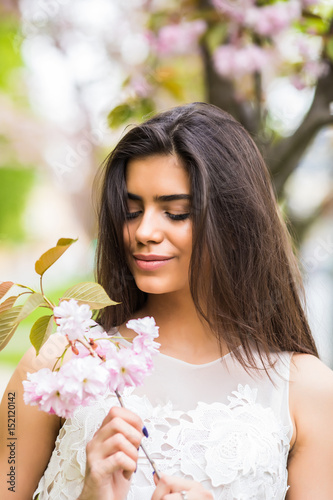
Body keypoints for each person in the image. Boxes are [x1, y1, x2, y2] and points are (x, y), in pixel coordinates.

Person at [1, 102, 333, 500]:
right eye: (131, 210)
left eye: (175, 212)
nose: (144, 230)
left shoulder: (306, 390)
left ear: (235, 220)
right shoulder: (55, 366)